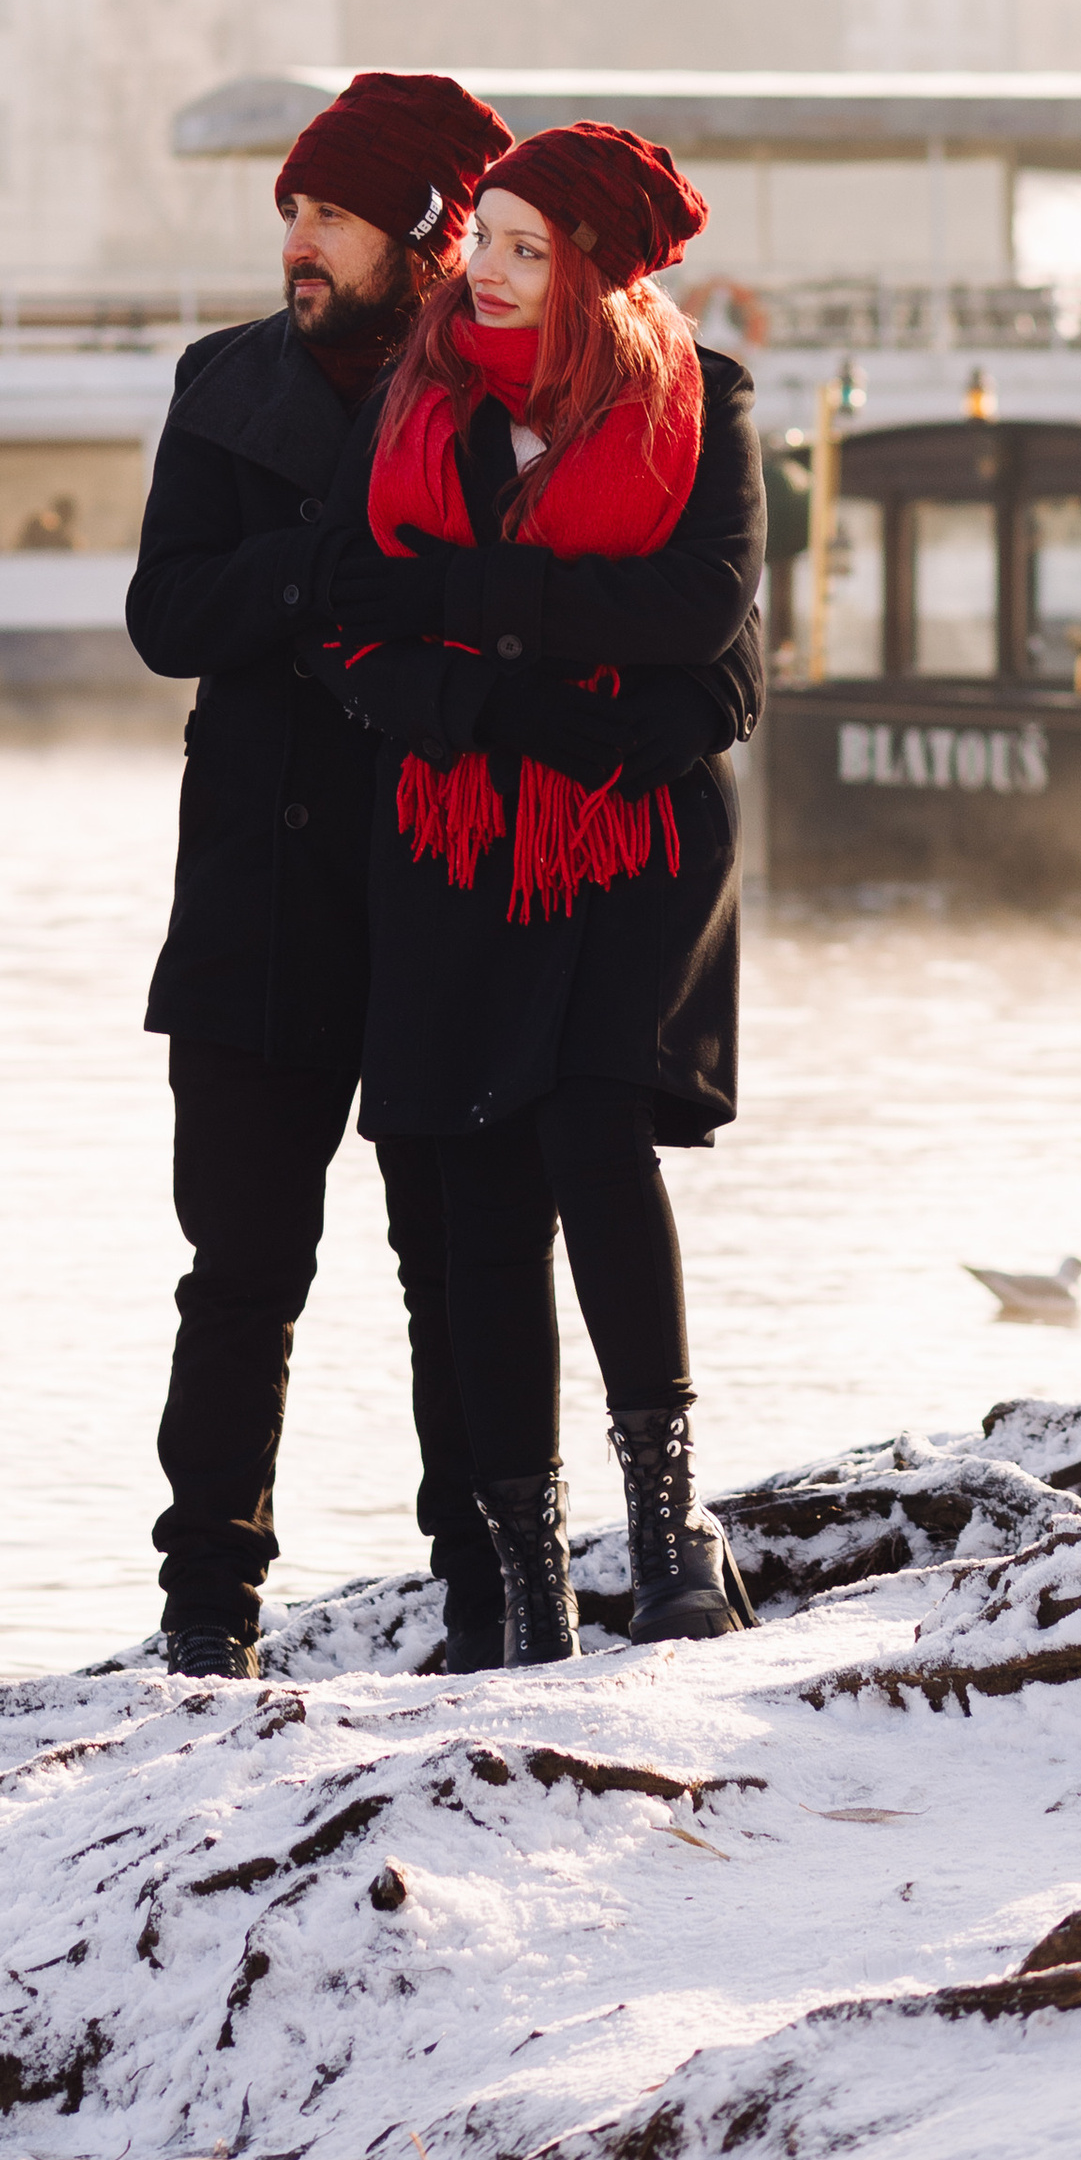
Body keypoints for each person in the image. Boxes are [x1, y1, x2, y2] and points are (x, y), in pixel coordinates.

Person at [315, 123, 764, 1669]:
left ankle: (667, 1520)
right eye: (480, 241)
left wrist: (463, 609)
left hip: (626, 827)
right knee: (480, 1180)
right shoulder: (411, 406)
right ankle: (521, 1581)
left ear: (589, 268)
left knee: (588, 1125)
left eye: (524, 248)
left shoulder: (701, 398)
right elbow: (354, 636)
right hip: (453, 834)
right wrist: (502, 693)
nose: (488, 273)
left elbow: (700, 608)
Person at [126, 69, 515, 1677]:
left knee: (458, 1259)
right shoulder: (223, 385)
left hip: (438, 887)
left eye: (333, 214)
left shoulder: (500, 401)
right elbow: (167, 620)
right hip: (255, 901)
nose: (300, 241)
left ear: (424, 234)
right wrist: (327, 565)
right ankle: (207, 1609)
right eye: (291, 209)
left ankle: (482, 1582)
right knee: (240, 1273)